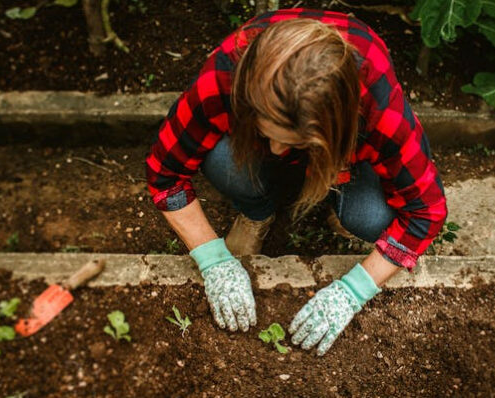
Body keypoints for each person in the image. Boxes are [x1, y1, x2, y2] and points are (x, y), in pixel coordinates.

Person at [146, 8, 447, 356]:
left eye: (292, 141)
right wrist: (214, 260)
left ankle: (337, 198)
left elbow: (426, 211)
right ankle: (257, 211)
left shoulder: (376, 107)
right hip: (289, 139)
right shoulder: (224, 77)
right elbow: (165, 173)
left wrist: (354, 290)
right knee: (222, 158)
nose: (274, 150)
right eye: (269, 133)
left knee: (372, 218)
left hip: (343, 155)